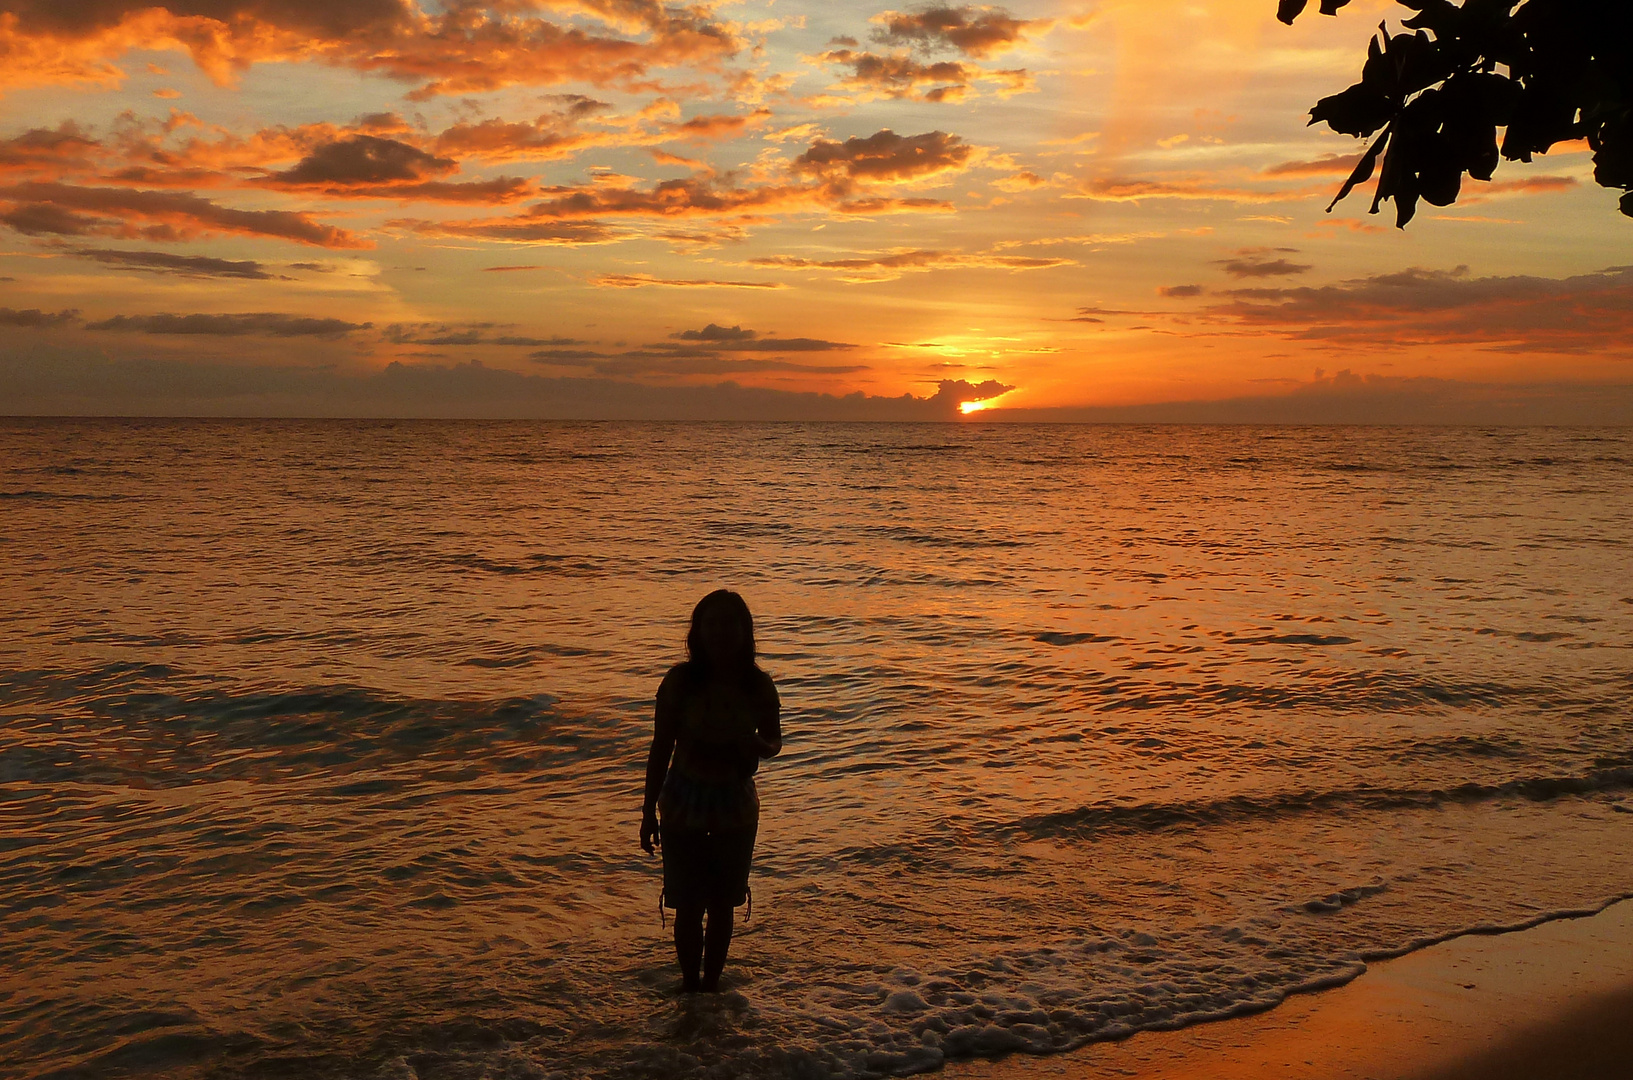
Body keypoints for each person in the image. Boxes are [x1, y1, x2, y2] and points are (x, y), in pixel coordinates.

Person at [641, 589, 782, 993]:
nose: (721, 632)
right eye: (712, 623)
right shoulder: (680, 682)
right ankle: (690, 989)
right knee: (686, 904)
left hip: (734, 806)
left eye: (729, 623)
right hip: (683, 803)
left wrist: (755, 745)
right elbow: (660, 746)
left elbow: (774, 742)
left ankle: (712, 989)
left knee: (722, 904)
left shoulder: (757, 685)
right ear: (698, 632)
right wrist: (647, 811)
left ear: (745, 631)